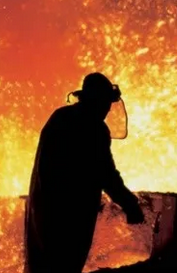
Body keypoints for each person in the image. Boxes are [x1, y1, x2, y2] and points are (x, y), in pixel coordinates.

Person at [25, 72, 145, 273]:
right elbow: (105, 173)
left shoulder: (60, 116)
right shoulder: (92, 126)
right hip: (69, 216)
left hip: (43, 209)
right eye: (107, 102)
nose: (108, 108)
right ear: (97, 100)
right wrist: (130, 204)